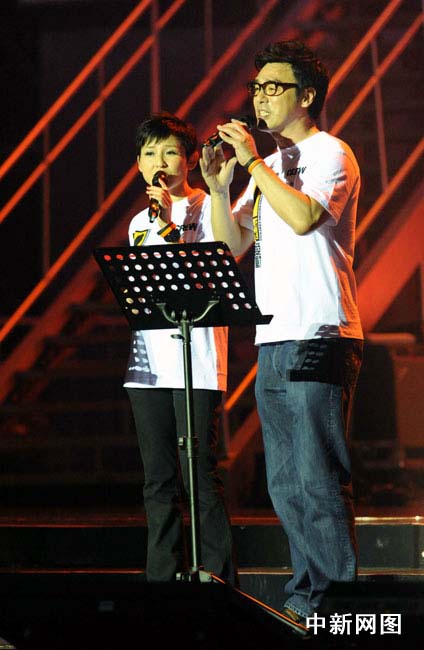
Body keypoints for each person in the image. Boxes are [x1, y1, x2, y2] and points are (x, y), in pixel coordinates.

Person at [200, 40, 363, 631]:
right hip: (273, 337)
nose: (260, 98)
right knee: (286, 483)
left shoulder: (330, 152)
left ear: (307, 95)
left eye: (273, 87)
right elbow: (233, 246)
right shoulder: (265, 168)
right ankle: (306, 597)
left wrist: (254, 164)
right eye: (257, 88)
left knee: (318, 478)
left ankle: (338, 608)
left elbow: (302, 218)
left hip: (319, 330)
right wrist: (220, 190)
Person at [124, 111, 237, 585]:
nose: (159, 162)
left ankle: (217, 577)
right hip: (149, 365)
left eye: (169, 152)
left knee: (200, 475)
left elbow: (213, 273)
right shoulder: (139, 222)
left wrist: (171, 224)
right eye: (149, 154)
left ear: (190, 160)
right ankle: (160, 579)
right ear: (138, 164)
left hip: (197, 361)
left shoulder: (209, 207)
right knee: (158, 479)